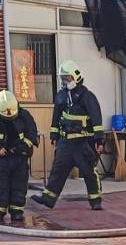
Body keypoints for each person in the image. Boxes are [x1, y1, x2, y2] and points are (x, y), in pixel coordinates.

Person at [31, 60, 104, 213]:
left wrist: (99, 140)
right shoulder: (61, 96)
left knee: (89, 171)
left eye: (68, 78)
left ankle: (95, 200)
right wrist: (54, 135)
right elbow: (56, 117)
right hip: (65, 142)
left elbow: (96, 119)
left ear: (76, 76)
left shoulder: (88, 96)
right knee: (58, 170)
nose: (65, 81)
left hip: (83, 142)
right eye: (63, 78)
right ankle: (48, 198)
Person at [0, 89, 39, 225]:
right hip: (1, 157)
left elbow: (32, 132)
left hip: (19, 156)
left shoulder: (24, 114)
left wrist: (24, 146)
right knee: (0, 185)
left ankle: (17, 212)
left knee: (19, 184)